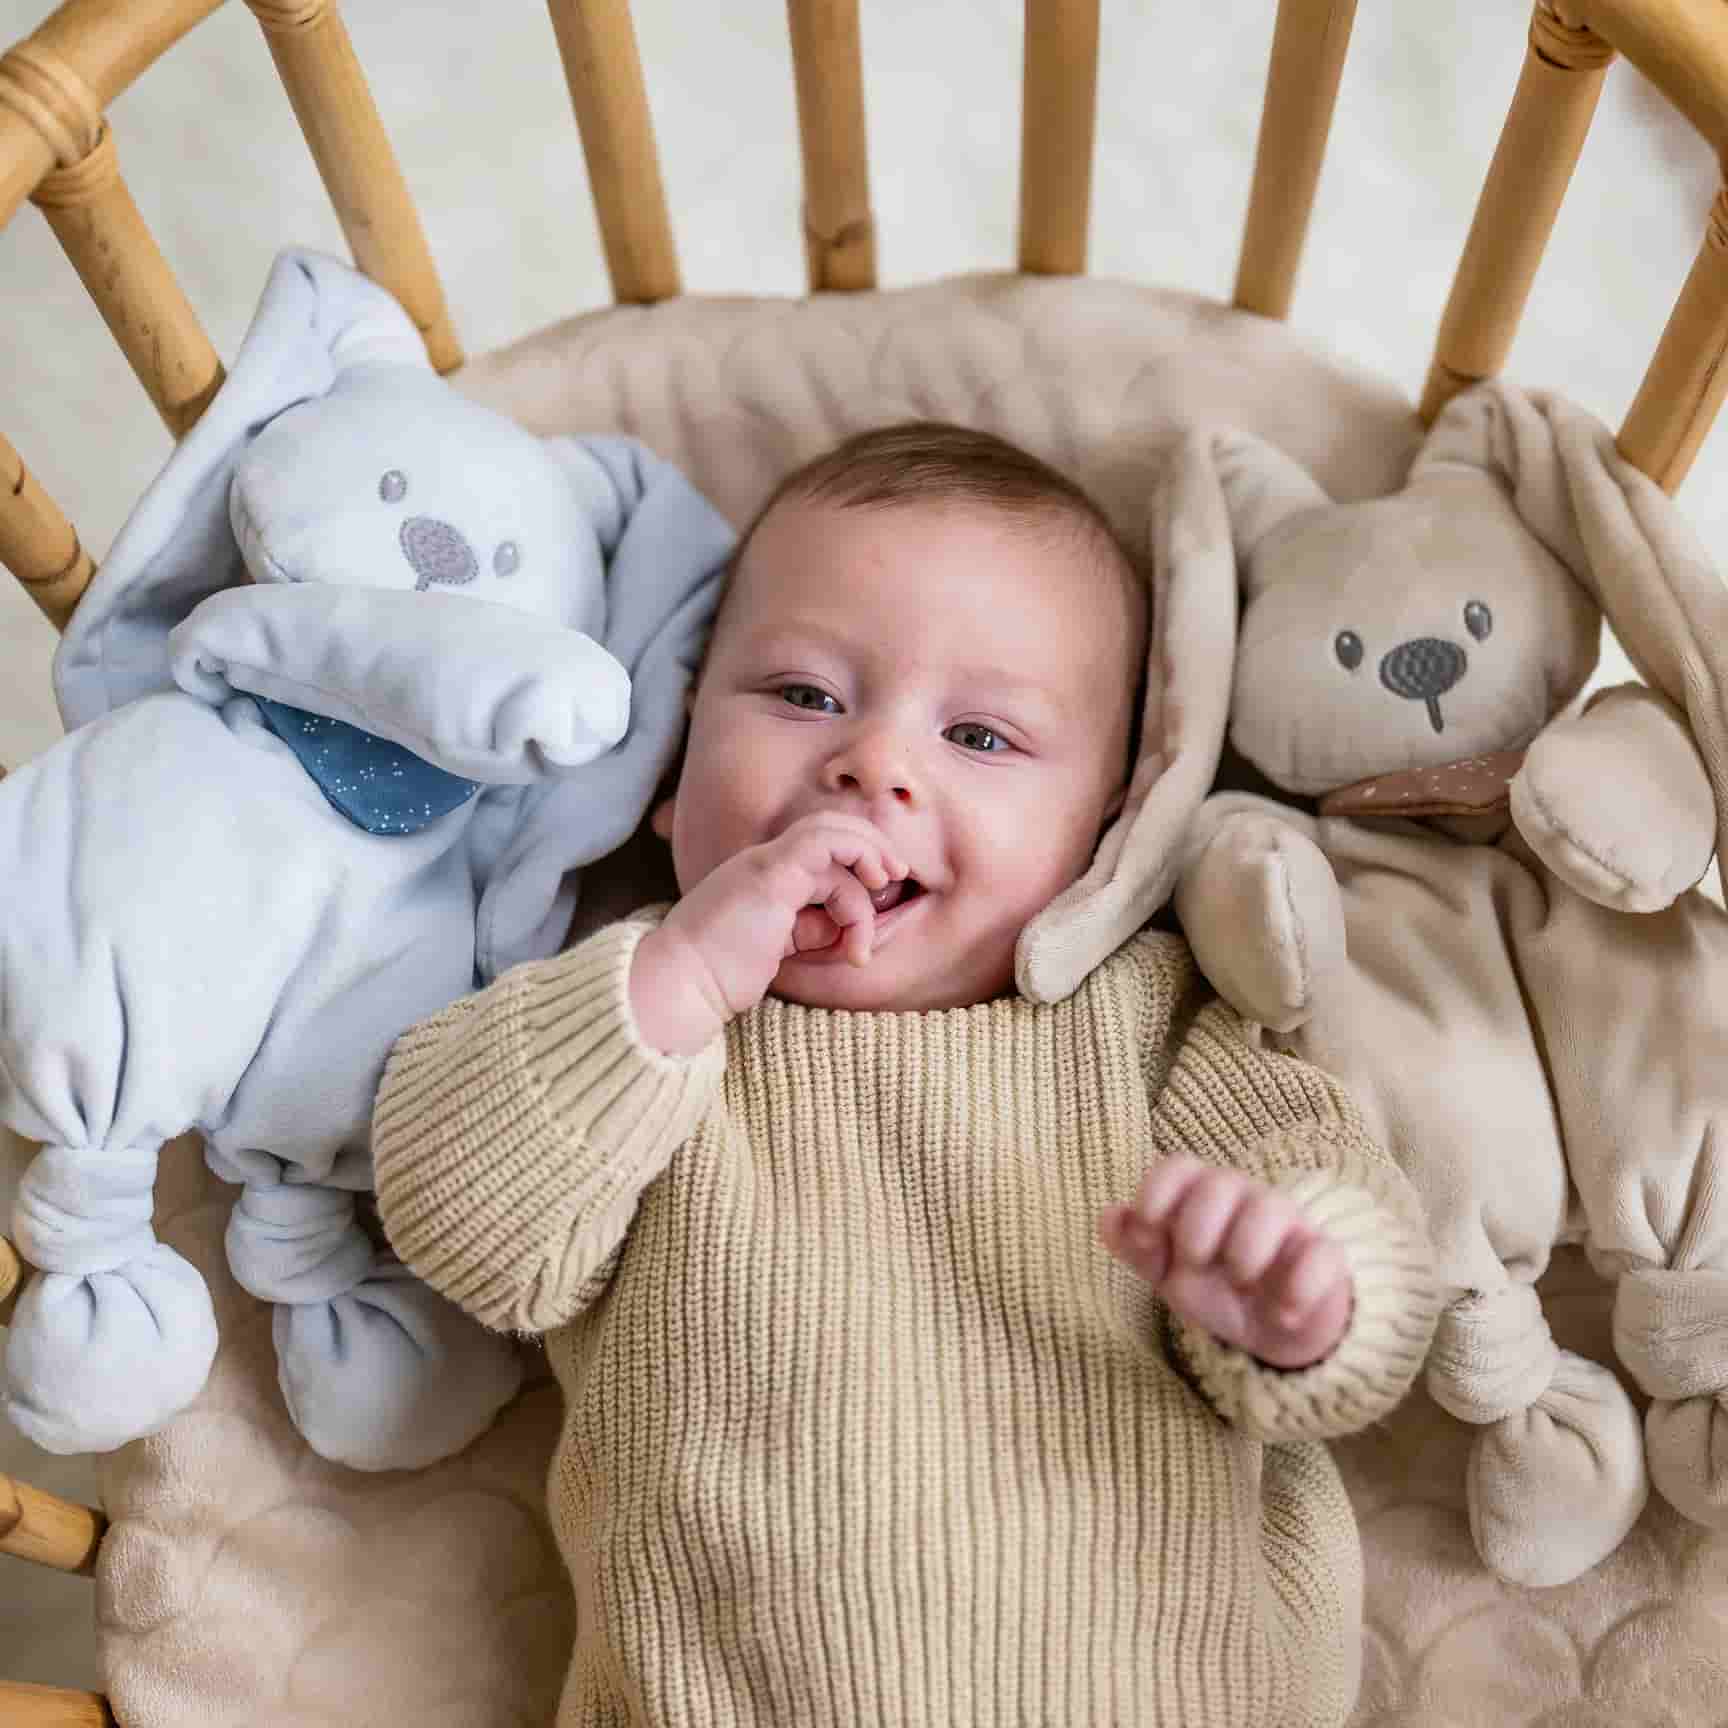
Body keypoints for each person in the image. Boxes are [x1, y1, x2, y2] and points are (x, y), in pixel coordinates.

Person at [371, 422, 1439, 1727]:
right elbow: (457, 1218)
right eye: (804, 696)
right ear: (667, 769)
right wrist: (686, 979)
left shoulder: (1146, 1022)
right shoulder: (638, 1016)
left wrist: (1304, 1294)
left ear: (1108, 824)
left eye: (982, 737)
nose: (872, 764)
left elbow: (1353, 1200)